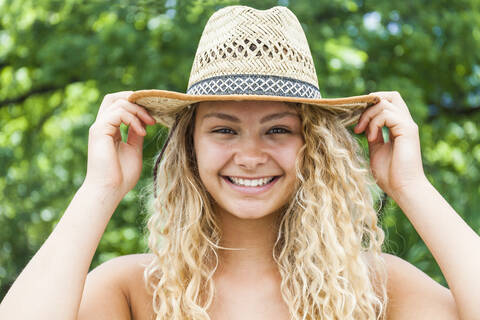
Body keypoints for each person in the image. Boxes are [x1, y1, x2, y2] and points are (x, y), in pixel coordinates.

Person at [1, 5, 478, 320]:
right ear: (189, 146)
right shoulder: (134, 290)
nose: (250, 156)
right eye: (224, 129)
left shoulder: (375, 287)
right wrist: (99, 189)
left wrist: (412, 186)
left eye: (278, 130)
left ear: (312, 146)